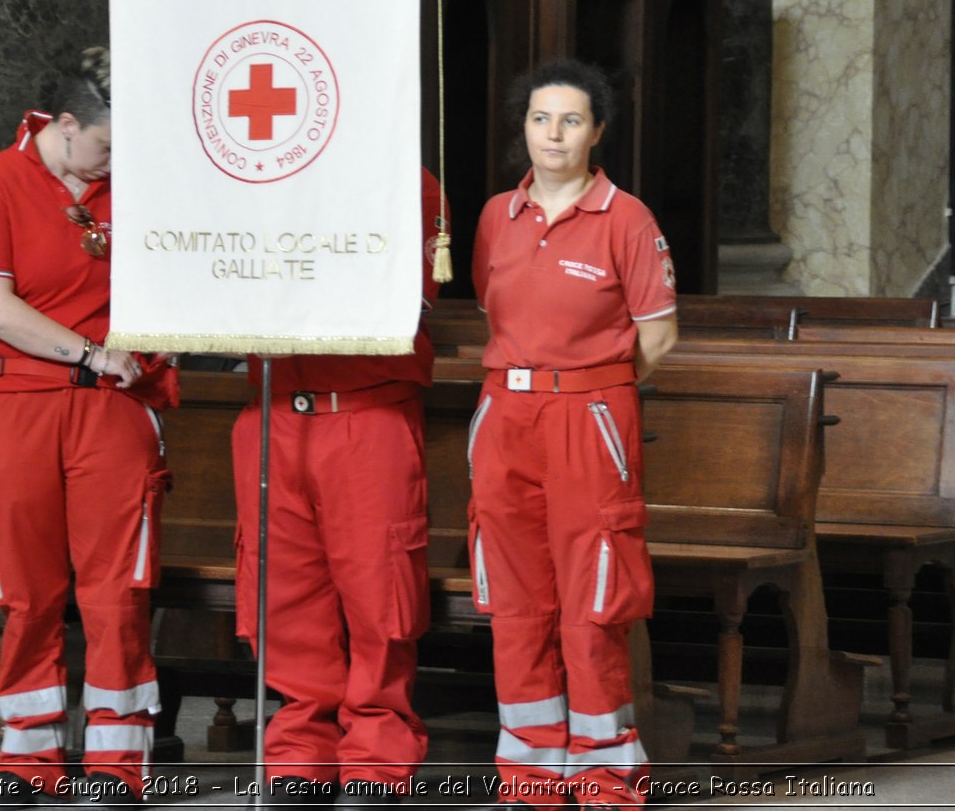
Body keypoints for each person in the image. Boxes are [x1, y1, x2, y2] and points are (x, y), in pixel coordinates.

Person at [0, 50, 179, 809]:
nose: (115, 161)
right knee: (25, 589)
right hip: (16, 403)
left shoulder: (135, 190)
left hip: (112, 408)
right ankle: (28, 755)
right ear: (66, 124)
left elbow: (175, 282)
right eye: (106, 145)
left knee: (117, 587)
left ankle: (119, 760)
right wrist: (89, 351)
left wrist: (148, 347)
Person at [467, 60, 678, 809]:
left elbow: (658, 336)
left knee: (594, 596)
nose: (553, 134)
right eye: (539, 119)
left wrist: (595, 387)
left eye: (571, 120)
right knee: (515, 598)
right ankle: (531, 777)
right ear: (522, 127)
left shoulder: (627, 217)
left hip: (589, 418)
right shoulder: (497, 213)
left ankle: (606, 778)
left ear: (597, 131)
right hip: (504, 417)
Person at [230, 168, 446, 806]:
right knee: (283, 593)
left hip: (364, 412)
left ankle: (377, 757)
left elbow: (407, 296)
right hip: (270, 411)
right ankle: (301, 753)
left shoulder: (409, 180)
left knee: (381, 593)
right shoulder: (253, 177)